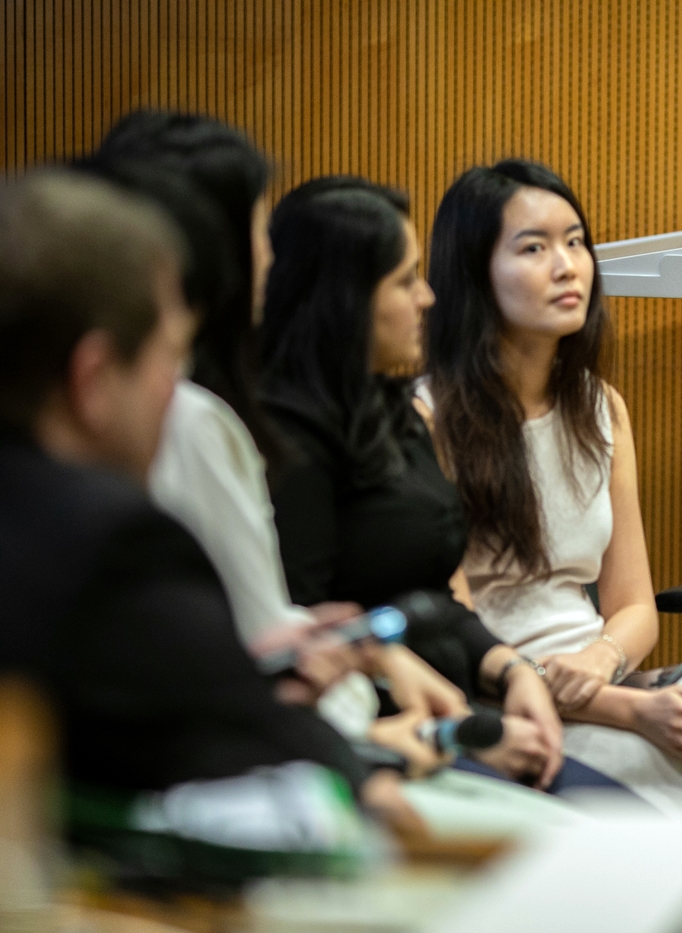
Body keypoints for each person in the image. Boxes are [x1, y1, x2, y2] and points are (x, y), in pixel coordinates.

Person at [424, 159, 682, 933]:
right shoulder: (429, 418)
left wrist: (604, 661)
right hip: (503, 695)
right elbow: (451, 625)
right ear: (474, 272)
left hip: (597, 678)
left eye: (575, 241)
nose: (567, 265)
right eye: (534, 247)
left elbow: (635, 605)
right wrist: (627, 707)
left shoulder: (600, 408)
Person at [0, 169, 411, 828]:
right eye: (170, 358)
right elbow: (267, 747)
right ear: (93, 380)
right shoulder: (109, 546)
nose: (177, 391)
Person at [81, 113, 486, 765]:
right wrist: (374, 746)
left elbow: (264, 626)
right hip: (290, 755)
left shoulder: (376, 407)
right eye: (257, 231)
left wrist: (373, 653)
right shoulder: (191, 420)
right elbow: (247, 655)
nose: (270, 256)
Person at [260, 176, 572, 788]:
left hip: (459, 705)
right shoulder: (287, 438)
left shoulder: (392, 408)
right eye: (405, 281)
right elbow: (305, 632)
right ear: (345, 300)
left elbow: (434, 599)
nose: (428, 297)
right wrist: (456, 734)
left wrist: (514, 671)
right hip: (373, 735)